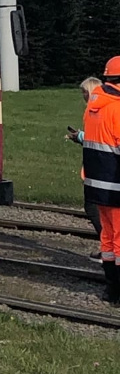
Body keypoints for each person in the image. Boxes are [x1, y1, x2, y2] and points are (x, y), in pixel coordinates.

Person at [81, 59, 120, 304]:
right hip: (116, 186)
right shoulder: (117, 109)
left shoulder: (93, 106)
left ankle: (112, 292)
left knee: (108, 239)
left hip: (97, 186)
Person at [66, 77, 103, 244]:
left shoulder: (96, 111)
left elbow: (100, 137)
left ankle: (109, 248)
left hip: (100, 167)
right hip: (101, 165)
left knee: (94, 208)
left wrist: (80, 136)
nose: (83, 96)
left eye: (84, 92)